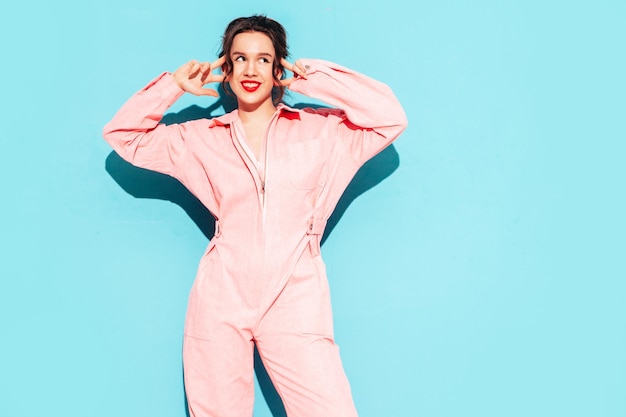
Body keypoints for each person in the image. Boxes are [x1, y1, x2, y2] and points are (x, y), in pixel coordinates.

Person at [103, 14, 407, 417]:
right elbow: (123, 136)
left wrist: (310, 78)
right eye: (240, 58)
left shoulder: (323, 133)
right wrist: (172, 87)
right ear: (225, 69)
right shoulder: (200, 139)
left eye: (264, 60)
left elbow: (389, 116)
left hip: (295, 293)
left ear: (278, 68)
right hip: (221, 295)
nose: (251, 70)